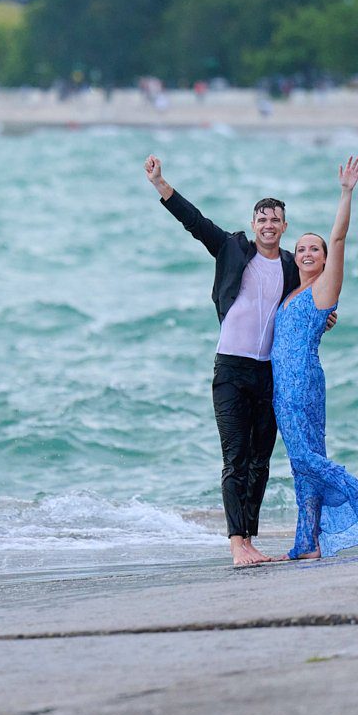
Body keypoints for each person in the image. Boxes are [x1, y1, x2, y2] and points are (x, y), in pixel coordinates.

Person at [143, 154, 334, 566]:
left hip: (268, 372)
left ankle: (250, 538)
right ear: (254, 225)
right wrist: (161, 184)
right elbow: (194, 222)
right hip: (230, 368)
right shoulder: (232, 248)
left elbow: (310, 295)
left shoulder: (288, 263)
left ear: (284, 227)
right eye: (261, 219)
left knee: (261, 461)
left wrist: (326, 317)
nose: (268, 225)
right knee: (235, 457)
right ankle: (235, 544)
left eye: (275, 220)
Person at [270, 156, 358, 560]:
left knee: (306, 458)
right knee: (304, 466)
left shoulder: (324, 289)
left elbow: (341, 237)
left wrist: (345, 192)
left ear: (326, 259)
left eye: (314, 249)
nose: (306, 253)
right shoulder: (293, 292)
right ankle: (307, 543)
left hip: (302, 383)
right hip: (285, 387)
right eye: (300, 249)